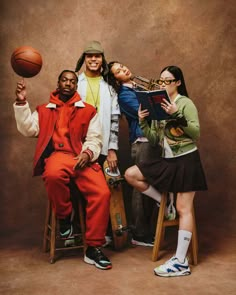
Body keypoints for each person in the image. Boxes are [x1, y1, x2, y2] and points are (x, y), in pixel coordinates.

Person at [13, 70, 112, 270]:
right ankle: (64, 218)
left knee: (102, 193)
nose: (68, 83)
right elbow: (29, 129)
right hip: (58, 156)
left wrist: (88, 153)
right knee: (52, 174)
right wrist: (22, 103)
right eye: (64, 80)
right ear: (58, 83)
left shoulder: (88, 110)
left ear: (76, 86)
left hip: (81, 157)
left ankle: (93, 248)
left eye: (72, 81)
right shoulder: (44, 109)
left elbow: (95, 138)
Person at [124, 65, 207, 277]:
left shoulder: (185, 103)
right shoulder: (158, 105)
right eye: (161, 81)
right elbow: (155, 139)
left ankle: (180, 261)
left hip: (187, 161)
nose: (163, 85)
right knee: (131, 174)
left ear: (178, 83)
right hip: (168, 161)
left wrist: (176, 114)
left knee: (183, 208)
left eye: (168, 81)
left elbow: (195, 132)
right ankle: (163, 199)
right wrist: (143, 120)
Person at [107, 61, 165, 247]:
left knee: (149, 183)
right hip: (142, 142)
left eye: (122, 66)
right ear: (116, 80)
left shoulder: (137, 87)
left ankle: (146, 230)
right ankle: (140, 233)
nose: (124, 69)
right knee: (140, 188)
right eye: (118, 71)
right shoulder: (124, 95)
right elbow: (147, 113)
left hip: (154, 140)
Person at [75, 41, 120, 172]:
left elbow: (114, 120)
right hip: (78, 147)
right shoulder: (75, 83)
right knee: (77, 189)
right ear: (84, 58)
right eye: (89, 56)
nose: (93, 59)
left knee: (105, 188)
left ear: (102, 59)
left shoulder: (110, 86)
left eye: (97, 56)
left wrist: (111, 149)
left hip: (104, 148)